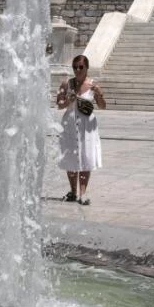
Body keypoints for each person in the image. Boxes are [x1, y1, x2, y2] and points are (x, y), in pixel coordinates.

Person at [55, 55, 105, 205]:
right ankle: (73, 191)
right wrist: (68, 100)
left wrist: (99, 94)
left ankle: (83, 193)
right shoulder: (66, 84)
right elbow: (59, 104)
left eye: (81, 67)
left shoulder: (93, 85)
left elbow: (102, 106)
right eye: (75, 67)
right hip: (69, 124)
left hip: (87, 126)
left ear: (86, 68)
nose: (77, 70)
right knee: (71, 156)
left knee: (86, 156)